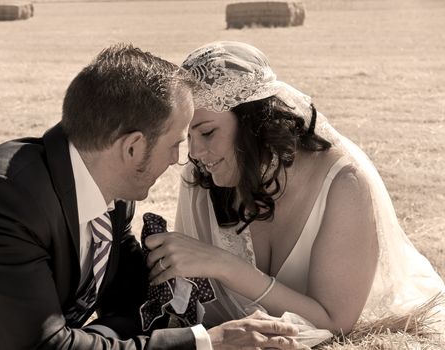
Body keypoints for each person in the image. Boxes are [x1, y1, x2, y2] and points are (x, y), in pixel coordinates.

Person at [0, 43, 303, 350]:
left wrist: (168, 292)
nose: (179, 159)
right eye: (174, 143)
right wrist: (204, 342)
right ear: (133, 148)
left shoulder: (110, 184)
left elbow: (126, 295)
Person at [145, 41, 445, 335]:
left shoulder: (342, 185)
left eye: (208, 132)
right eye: (189, 135)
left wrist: (223, 264)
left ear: (253, 121)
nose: (194, 152)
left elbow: (335, 322)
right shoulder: (200, 178)